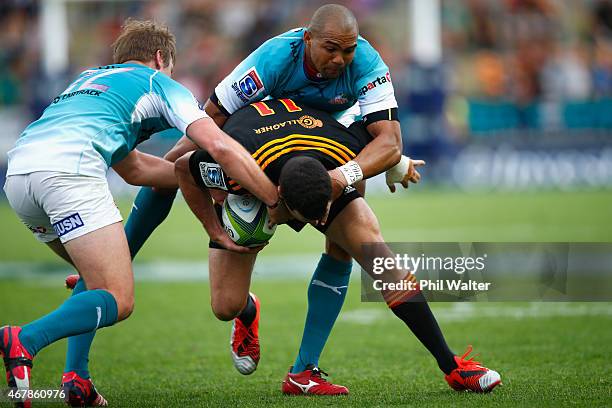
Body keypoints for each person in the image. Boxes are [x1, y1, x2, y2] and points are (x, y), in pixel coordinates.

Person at [120, 4, 422, 393]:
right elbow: (211, 120)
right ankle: (244, 309)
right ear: (307, 39)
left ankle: (305, 370)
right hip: (255, 160)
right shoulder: (273, 59)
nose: (340, 59)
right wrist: (192, 171)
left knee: (357, 242)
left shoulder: (364, 59)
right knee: (224, 305)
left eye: (347, 50)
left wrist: (349, 174)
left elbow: (388, 139)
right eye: (331, 49)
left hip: (319, 155)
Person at [1, 19, 278, 407]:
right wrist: (269, 196)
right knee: (118, 297)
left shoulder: (87, 79)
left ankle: (76, 379)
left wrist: (197, 180)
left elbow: (136, 170)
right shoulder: (158, 82)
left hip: (19, 178)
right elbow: (221, 147)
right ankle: (24, 339)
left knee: (94, 280)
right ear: (162, 58)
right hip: (69, 175)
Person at [175, 99, 501, 395]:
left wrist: (397, 164)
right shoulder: (232, 171)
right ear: (283, 199)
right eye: (314, 218)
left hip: (316, 161)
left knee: (379, 257)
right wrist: (215, 230)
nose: (323, 221)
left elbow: (379, 143)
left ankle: (450, 366)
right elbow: (181, 169)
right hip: (254, 177)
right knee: (224, 306)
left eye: (325, 212)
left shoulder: (343, 147)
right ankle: (247, 310)